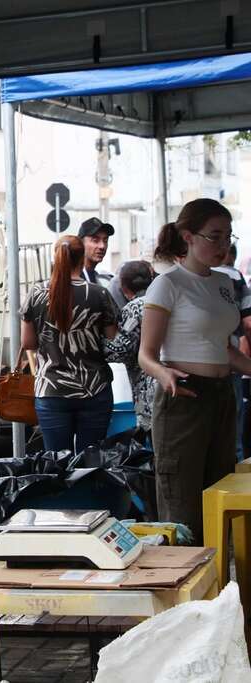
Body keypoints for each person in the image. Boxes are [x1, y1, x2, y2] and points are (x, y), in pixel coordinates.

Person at [139, 199, 251, 537]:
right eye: (214, 236)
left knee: (221, 492)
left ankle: (220, 582)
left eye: (229, 237)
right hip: (184, 394)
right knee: (182, 503)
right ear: (188, 236)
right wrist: (164, 374)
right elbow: (146, 354)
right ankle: (186, 582)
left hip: (222, 393)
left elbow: (223, 348)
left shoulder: (223, 283)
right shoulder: (168, 283)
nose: (223, 245)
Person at [22, 234, 119, 453]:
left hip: (51, 390)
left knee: (57, 464)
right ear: (81, 258)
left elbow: (28, 342)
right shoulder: (99, 294)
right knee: (91, 463)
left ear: (56, 258)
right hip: (95, 389)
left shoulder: (37, 294)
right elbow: (114, 340)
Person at [105, 261, 156, 434]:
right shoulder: (166, 300)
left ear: (124, 288)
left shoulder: (134, 309)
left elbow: (120, 350)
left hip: (148, 389)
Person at [213, 244, 251, 461]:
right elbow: (248, 323)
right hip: (230, 367)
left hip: (195, 376)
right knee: (233, 434)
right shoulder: (235, 278)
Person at [78, 217, 115, 286]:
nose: (102, 246)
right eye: (95, 240)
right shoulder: (73, 279)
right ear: (81, 243)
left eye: (105, 241)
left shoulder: (103, 279)